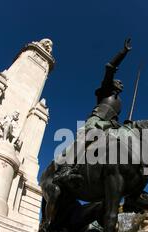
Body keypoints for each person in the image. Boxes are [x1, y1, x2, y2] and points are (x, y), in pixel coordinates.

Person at [53, 38, 133, 186]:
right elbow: (109, 67)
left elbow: (115, 119)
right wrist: (123, 52)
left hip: (110, 125)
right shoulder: (105, 91)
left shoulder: (119, 103)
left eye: (122, 83)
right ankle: (65, 168)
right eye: (119, 81)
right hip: (95, 121)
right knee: (87, 136)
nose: (121, 84)